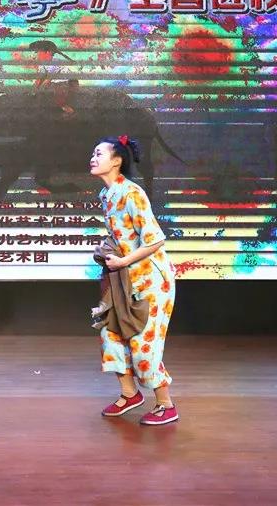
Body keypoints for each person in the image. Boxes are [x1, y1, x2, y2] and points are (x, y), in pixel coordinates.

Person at [88, 135, 179, 425]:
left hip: (151, 280)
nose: (93, 158)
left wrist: (123, 260)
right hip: (125, 280)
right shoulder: (106, 194)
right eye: (93, 153)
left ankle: (165, 405)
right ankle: (130, 394)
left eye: (99, 153)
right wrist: (107, 250)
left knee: (142, 343)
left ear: (117, 161)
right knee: (110, 334)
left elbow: (155, 239)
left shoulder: (132, 193)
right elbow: (122, 236)